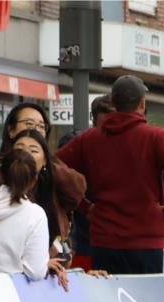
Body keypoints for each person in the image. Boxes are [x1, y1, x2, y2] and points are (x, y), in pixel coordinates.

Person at [56, 75, 164, 274]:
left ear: (115, 103)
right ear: (142, 103)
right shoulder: (156, 136)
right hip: (148, 240)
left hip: (104, 240)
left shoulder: (89, 139)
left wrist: (85, 207)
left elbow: (53, 167)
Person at [0, 103, 85, 262]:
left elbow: (76, 192)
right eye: (29, 124)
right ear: (11, 130)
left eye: (41, 126)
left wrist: (45, 165)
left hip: (54, 257)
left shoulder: (52, 168)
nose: (36, 130)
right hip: (15, 259)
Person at [0, 149, 67, 288]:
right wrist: (44, 265)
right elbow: (35, 272)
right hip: (9, 292)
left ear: (0, 175)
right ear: (33, 181)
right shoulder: (35, 214)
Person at [67, 95, 115, 272]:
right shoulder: (80, 145)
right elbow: (58, 175)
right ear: (94, 123)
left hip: (122, 244)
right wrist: (86, 208)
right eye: (105, 125)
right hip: (86, 241)